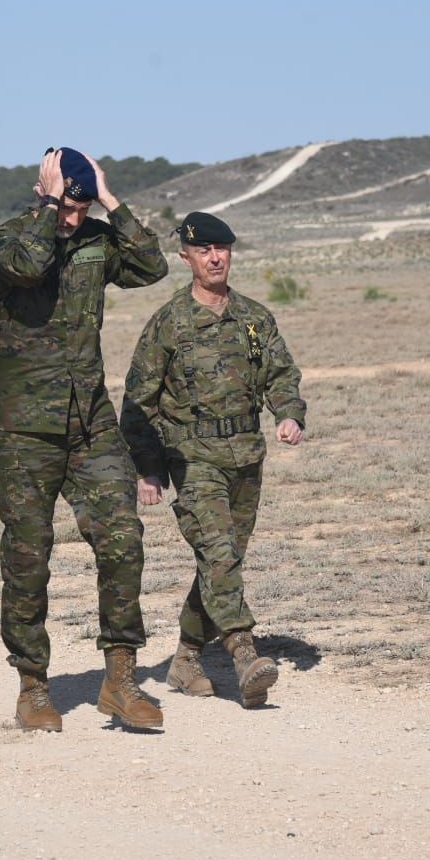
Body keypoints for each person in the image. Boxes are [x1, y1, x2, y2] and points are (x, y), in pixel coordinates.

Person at [0, 147, 170, 731]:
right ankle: (33, 686)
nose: (74, 214)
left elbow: (151, 266)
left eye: (81, 204)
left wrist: (111, 200)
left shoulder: (96, 237)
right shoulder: (7, 238)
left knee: (123, 542)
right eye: (70, 201)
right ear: (44, 190)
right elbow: (28, 267)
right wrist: (46, 208)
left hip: (90, 425)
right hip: (24, 432)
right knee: (27, 559)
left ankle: (119, 679)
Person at [120, 210, 306, 708]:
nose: (216, 257)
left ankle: (184, 658)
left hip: (247, 454)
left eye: (222, 249)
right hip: (192, 457)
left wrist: (289, 414)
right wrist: (149, 469)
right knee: (220, 554)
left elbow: (282, 374)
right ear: (186, 258)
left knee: (221, 561)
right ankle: (244, 653)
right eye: (204, 251)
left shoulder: (253, 318)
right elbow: (138, 402)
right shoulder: (169, 323)